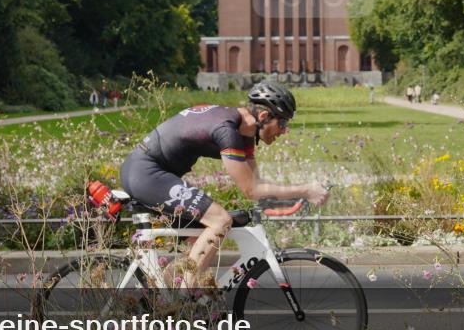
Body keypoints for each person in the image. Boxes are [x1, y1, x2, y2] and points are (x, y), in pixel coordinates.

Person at [119, 81, 329, 289]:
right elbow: (251, 189)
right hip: (146, 172)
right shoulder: (227, 130)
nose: (284, 131)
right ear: (264, 117)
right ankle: (182, 303)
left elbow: (256, 185)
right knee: (220, 221)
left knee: (200, 241)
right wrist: (306, 189)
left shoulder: (244, 134)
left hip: (154, 172)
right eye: (282, 124)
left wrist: (294, 196)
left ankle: (162, 299)